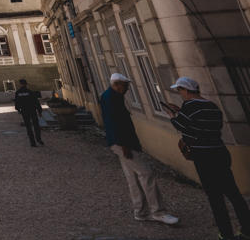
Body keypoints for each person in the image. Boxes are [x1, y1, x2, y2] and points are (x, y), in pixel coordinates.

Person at [164, 77, 250, 240]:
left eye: (180, 90)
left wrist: (171, 115)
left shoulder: (189, 105)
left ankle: (225, 234)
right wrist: (181, 113)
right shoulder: (213, 106)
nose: (180, 93)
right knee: (233, 193)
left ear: (186, 90)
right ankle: (247, 229)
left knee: (215, 196)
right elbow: (204, 125)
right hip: (220, 152)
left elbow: (180, 126)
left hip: (204, 155)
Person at [100, 73, 179, 225]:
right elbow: (113, 122)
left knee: (133, 177)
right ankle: (158, 212)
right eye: (125, 85)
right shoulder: (110, 98)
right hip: (122, 143)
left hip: (122, 141)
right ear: (116, 84)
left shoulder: (111, 96)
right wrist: (123, 144)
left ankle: (141, 212)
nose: (128, 89)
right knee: (146, 173)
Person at [13, 79, 44, 147]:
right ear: (26, 85)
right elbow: (36, 102)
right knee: (36, 125)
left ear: (20, 84)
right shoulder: (30, 92)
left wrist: (18, 110)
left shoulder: (18, 92)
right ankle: (38, 139)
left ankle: (32, 142)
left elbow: (17, 103)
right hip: (32, 110)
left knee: (28, 126)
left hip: (24, 111)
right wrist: (39, 111)